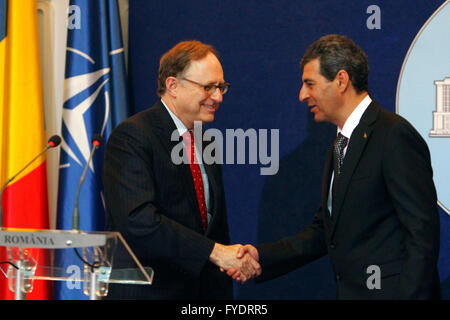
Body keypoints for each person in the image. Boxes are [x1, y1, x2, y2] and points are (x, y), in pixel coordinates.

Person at [230, 34, 441, 299]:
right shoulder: (339, 146)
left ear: (341, 80)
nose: (302, 95)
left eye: (310, 84)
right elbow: (325, 232)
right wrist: (262, 256)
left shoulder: (393, 136)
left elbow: (422, 235)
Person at [103, 40, 260, 300]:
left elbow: (212, 226)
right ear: (173, 85)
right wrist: (216, 252)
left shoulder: (205, 140)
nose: (218, 97)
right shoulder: (133, 136)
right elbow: (138, 221)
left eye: (221, 87)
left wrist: (229, 258)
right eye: (208, 87)